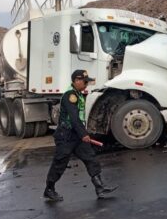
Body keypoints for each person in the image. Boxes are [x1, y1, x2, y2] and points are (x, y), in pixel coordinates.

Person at [44, 69, 118, 201]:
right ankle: (49, 189)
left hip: (76, 134)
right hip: (66, 135)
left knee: (90, 158)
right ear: (76, 81)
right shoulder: (70, 96)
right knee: (60, 163)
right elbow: (73, 117)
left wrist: (82, 133)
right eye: (84, 82)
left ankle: (100, 188)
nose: (86, 85)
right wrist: (84, 134)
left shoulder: (77, 94)